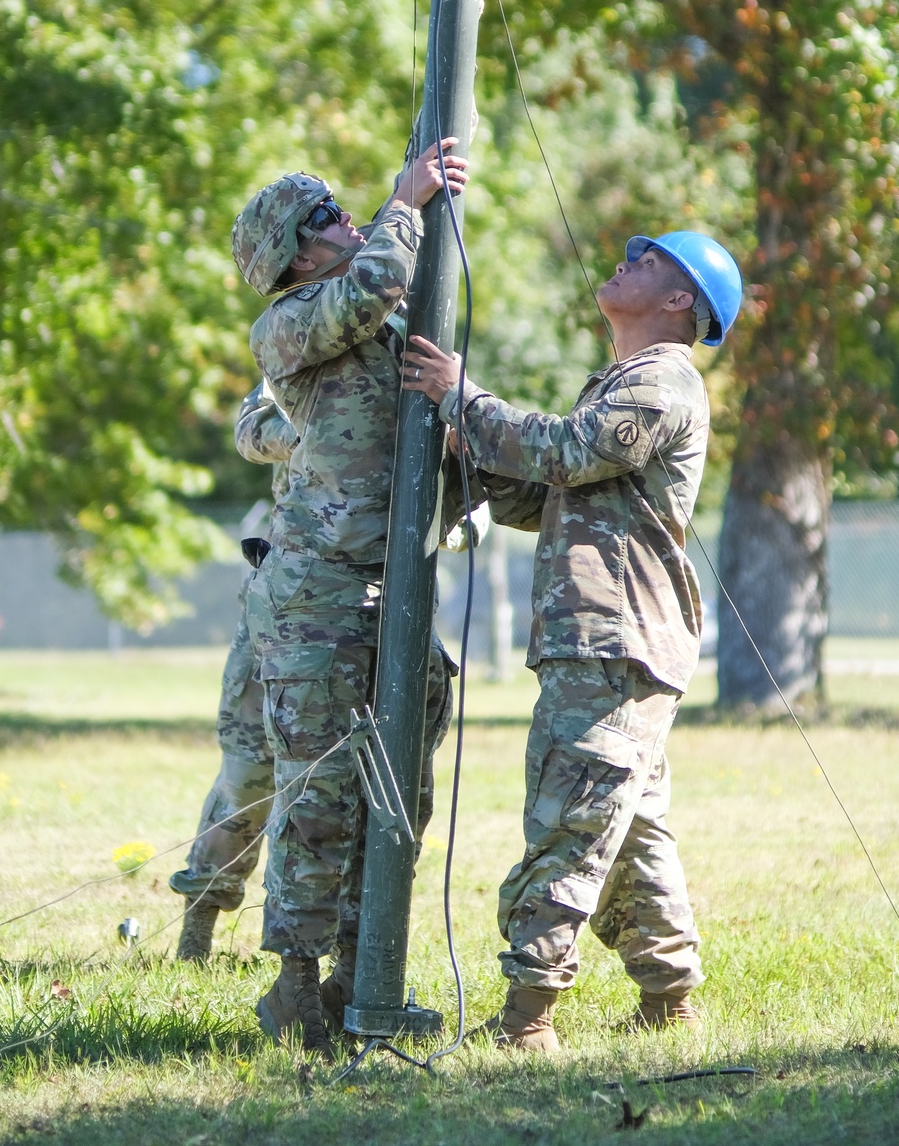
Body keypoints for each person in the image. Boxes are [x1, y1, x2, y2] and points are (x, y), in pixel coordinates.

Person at [403, 230, 742, 1052]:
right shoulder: (627, 379)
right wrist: (466, 449)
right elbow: (549, 492)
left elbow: (569, 451)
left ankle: (528, 1022)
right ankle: (670, 1002)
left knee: (568, 822)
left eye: (649, 260)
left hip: (615, 643)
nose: (625, 261)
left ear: (679, 303)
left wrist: (463, 399)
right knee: (627, 827)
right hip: (611, 641)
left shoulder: (663, 379)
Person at [230, 138, 471, 1057]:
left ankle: (357, 977)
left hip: (391, 589)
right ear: (295, 252)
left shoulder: (379, 316)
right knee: (321, 792)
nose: (350, 218)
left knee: (397, 792)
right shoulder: (291, 322)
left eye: (346, 210)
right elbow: (367, 287)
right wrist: (407, 202)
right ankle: (293, 987)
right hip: (318, 599)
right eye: (327, 215)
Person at [170, 381, 297, 961]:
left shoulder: (430, 358)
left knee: (351, 784)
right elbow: (251, 431)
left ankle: (325, 958)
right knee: (249, 772)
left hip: (377, 610)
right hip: (282, 604)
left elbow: (467, 513)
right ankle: (199, 928)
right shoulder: (306, 339)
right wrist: (327, 432)